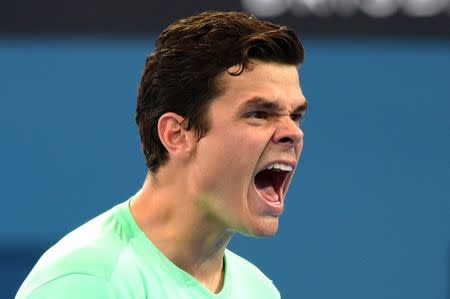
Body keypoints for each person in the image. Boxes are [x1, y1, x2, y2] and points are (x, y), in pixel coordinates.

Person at [16, 11, 307, 298]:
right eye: (259, 113)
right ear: (176, 135)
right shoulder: (88, 282)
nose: (293, 133)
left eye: (295, 116)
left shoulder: (258, 290)